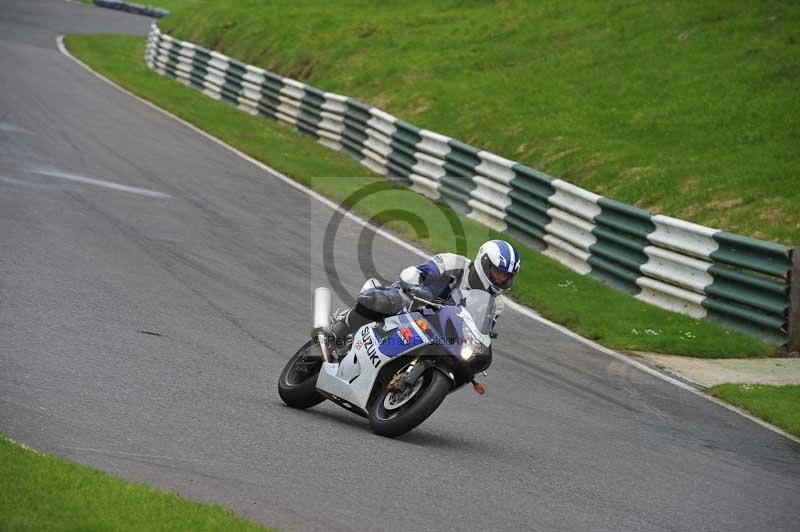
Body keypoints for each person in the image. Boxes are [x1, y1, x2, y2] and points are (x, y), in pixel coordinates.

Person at [326, 240, 521, 349]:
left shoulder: (497, 304)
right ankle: (337, 331)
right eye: (498, 271)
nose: (501, 278)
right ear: (484, 263)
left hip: (442, 333)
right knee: (381, 301)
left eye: (506, 276)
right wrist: (415, 286)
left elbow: (481, 331)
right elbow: (419, 273)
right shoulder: (454, 264)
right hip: (411, 304)